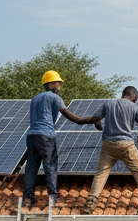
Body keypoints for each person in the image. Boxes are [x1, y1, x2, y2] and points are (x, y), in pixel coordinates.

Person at [21, 70, 99, 211]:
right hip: (46, 136)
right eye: (58, 83)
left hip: (31, 136)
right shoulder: (55, 98)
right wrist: (94, 119)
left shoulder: (35, 99)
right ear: (51, 84)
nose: (60, 86)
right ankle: (52, 198)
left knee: (31, 168)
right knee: (50, 165)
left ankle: (27, 199)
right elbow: (75, 119)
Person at [80, 85, 138, 215]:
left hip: (108, 145)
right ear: (134, 96)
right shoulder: (133, 107)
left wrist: (98, 125)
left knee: (101, 174)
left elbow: (95, 119)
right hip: (126, 145)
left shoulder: (108, 103)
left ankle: (90, 205)